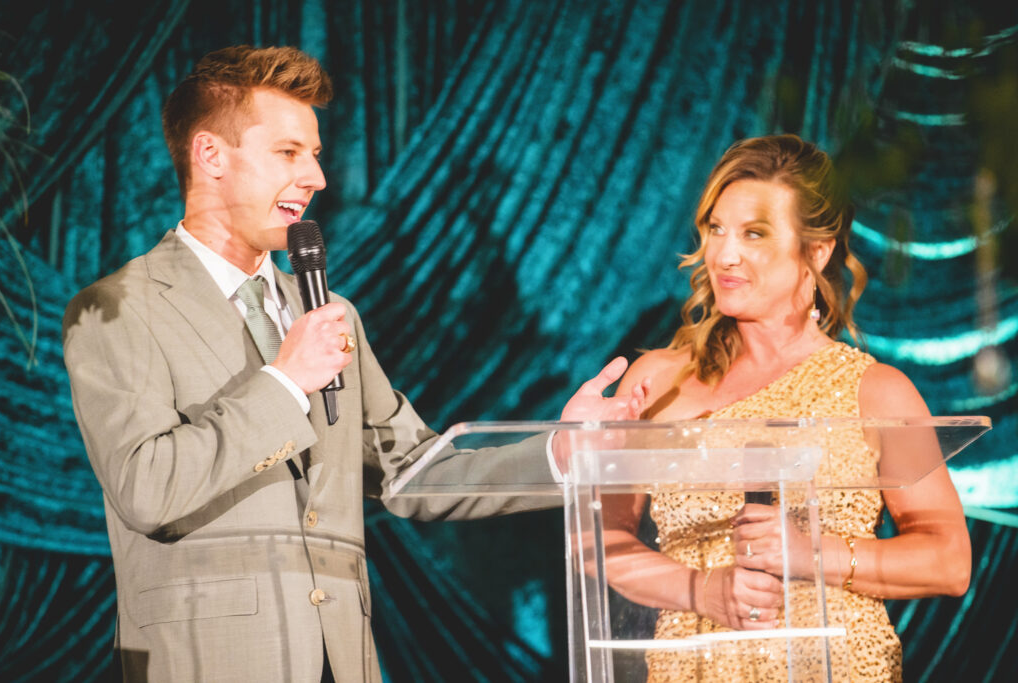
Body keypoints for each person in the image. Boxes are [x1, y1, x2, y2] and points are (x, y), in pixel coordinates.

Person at [62, 45, 642, 683]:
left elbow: (414, 470)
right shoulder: (118, 308)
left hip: (344, 659)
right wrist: (284, 382)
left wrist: (561, 452)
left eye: (315, 155)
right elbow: (149, 488)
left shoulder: (329, 312)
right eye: (288, 153)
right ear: (210, 156)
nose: (316, 178)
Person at [596, 135, 971, 682]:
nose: (724, 254)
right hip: (690, 668)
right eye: (716, 229)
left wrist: (816, 554)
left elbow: (949, 561)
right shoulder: (656, 381)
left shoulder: (880, 391)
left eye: (755, 234)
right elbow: (602, 546)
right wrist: (705, 590)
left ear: (815, 252)